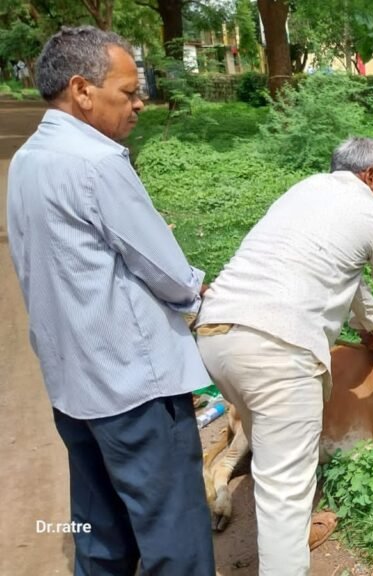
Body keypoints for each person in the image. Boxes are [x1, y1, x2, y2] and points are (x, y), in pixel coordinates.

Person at [195, 137, 373, 575]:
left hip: (218, 336)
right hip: (277, 350)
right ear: (370, 176)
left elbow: (346, 277)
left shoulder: (303, 193)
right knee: (286, 493)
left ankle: (230, 492)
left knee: (269, 452)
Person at [6, 26, 215, 575]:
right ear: (82, 90)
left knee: (100, 538)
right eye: (127, 92)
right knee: (176, 540)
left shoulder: (28, 159)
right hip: (134, 390)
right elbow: (168, 273)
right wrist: (197, 291)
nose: (139, 104)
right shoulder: (98, 163)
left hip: (75, 387)